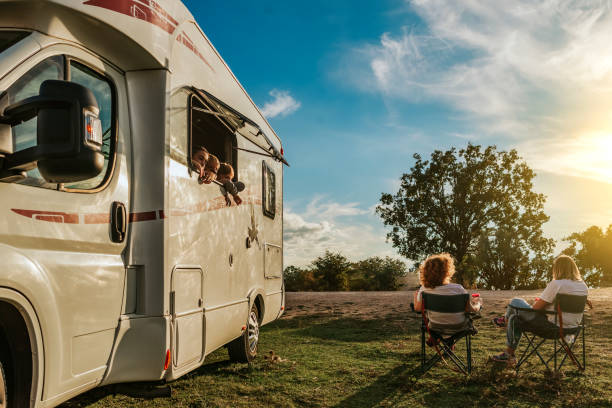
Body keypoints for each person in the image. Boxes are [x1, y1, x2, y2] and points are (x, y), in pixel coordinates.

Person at [491, 255, 590, 364]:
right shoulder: (583, 286)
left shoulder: (556, 284)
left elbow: (536, 309)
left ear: (557, 269)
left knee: (515, 302)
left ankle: (505, 323)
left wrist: (539, 303)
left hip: (552, 328)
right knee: (514, 318)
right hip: (572, 329)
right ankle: (508, 345)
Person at [413, 253, 481, 332]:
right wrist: (478, 304)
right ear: (447, 271)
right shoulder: (459, 288)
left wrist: (415, 297)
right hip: (459, 326)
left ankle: (441, 341)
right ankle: (448, 343)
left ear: (425, 272)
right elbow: (470, 310)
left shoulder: (424, 290)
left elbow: (417, 309)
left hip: (435, 326)